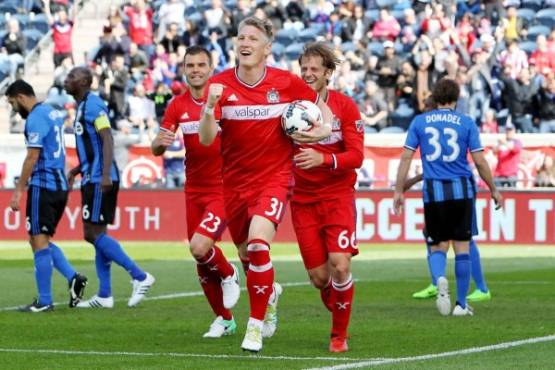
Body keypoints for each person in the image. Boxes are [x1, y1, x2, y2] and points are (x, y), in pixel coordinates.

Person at [198, 16, 333, 352]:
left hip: (273, 179)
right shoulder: (219, 85)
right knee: (246, 255)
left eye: (252, 39)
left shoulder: (286, 83)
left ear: (267, 49)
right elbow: (205, 139)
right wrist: (209, 107)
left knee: (259, 245)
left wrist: (321, 131)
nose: (244, 43)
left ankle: (254, 326)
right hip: (233, 183)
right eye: (241, 38)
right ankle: (270, 293)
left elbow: (322, 110)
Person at [151, 46, 240, 337]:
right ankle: (224, 319)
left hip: (224, 188)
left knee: (200, 247)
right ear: (184, 69)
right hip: (194, 190)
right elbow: (157, 147)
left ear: (211, 67)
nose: (195, 70)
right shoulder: (177, 105)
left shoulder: (225, 100)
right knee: (201, 260)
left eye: (201, 64)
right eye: (190, 65)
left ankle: (229, 273)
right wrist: (160, 142)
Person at [393, 78, 502, 317]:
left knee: (436, 245)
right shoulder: (466, 122)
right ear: (456, 97)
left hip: (433, 192)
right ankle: (461, 305)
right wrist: (493, 189)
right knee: (462, 247)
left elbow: (405, 158)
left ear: (435, 96)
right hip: (462, 190)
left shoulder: (420, 122)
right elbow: (480, 161)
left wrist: (399, 189)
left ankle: (440, 279)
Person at [292, 42, 364, 352]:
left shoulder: (345, 107)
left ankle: (339, 337)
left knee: (341, 265)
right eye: (304, 68)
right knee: (321, 279)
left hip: (337, 196)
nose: (308, 74)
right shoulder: (290, 109)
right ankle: (340, 307)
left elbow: (357, 156)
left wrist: (324, 160)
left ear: (328, 73)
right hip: (302, 200)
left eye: (314, 69)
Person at [63, 67, 155, 309]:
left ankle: (140, 276)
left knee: (91, 234)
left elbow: (107, 138)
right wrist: (76, 170)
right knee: (97, 234)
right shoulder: (82, 106)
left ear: (83, 82)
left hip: (100, 178)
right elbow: (92, 147)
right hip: (92, 175)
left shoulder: (94, 105)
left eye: (71, 77)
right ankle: (105, 295)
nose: (66, 80)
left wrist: (103, 174)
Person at [6, 80, 88, 312]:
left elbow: (32, 156)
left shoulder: (35, 118)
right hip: (59, 184)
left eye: (13, 103)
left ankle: (44, 301)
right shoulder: (52, 112)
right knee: (39, 239)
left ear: (21, 97)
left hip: (43, 184)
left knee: (38, 241)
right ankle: (73, 277)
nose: (13, 108)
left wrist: (18, 191)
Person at [404, 174, 492, 302]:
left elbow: (476, 161)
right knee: (429, 233)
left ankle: (482, 289)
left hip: (461, 189)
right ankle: (436, 283)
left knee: (464, 239)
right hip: (439, 189)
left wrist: (410, 181)